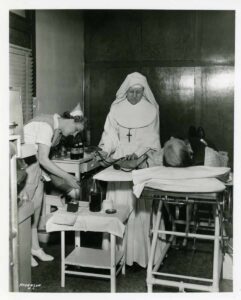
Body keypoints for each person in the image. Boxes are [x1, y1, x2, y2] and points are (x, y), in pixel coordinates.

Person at [97, 72, 164, 268]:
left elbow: (153, 139)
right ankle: (117, 254)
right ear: (125, 91)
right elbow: (110, 136)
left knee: (139, 209)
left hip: (141, 163)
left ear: (144, 92)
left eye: (138, 92)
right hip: (119, 162)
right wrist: (105, 150)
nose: (134, 95)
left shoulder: (151, 110)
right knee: (119, 203)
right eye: (131, 92)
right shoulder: (116, 109)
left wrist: (140, 155)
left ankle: (139, 255)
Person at [22, 104, 84, 267]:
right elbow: (43, 158)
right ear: (70, 121)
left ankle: (35, 248)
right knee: (24, 213)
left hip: (36, 169)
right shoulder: (46, 126)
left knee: (35, 209)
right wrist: (67, 177)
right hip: (26, 169)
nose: (75, 134)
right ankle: (22, 252)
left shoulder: (55, 126)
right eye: (76, 129)